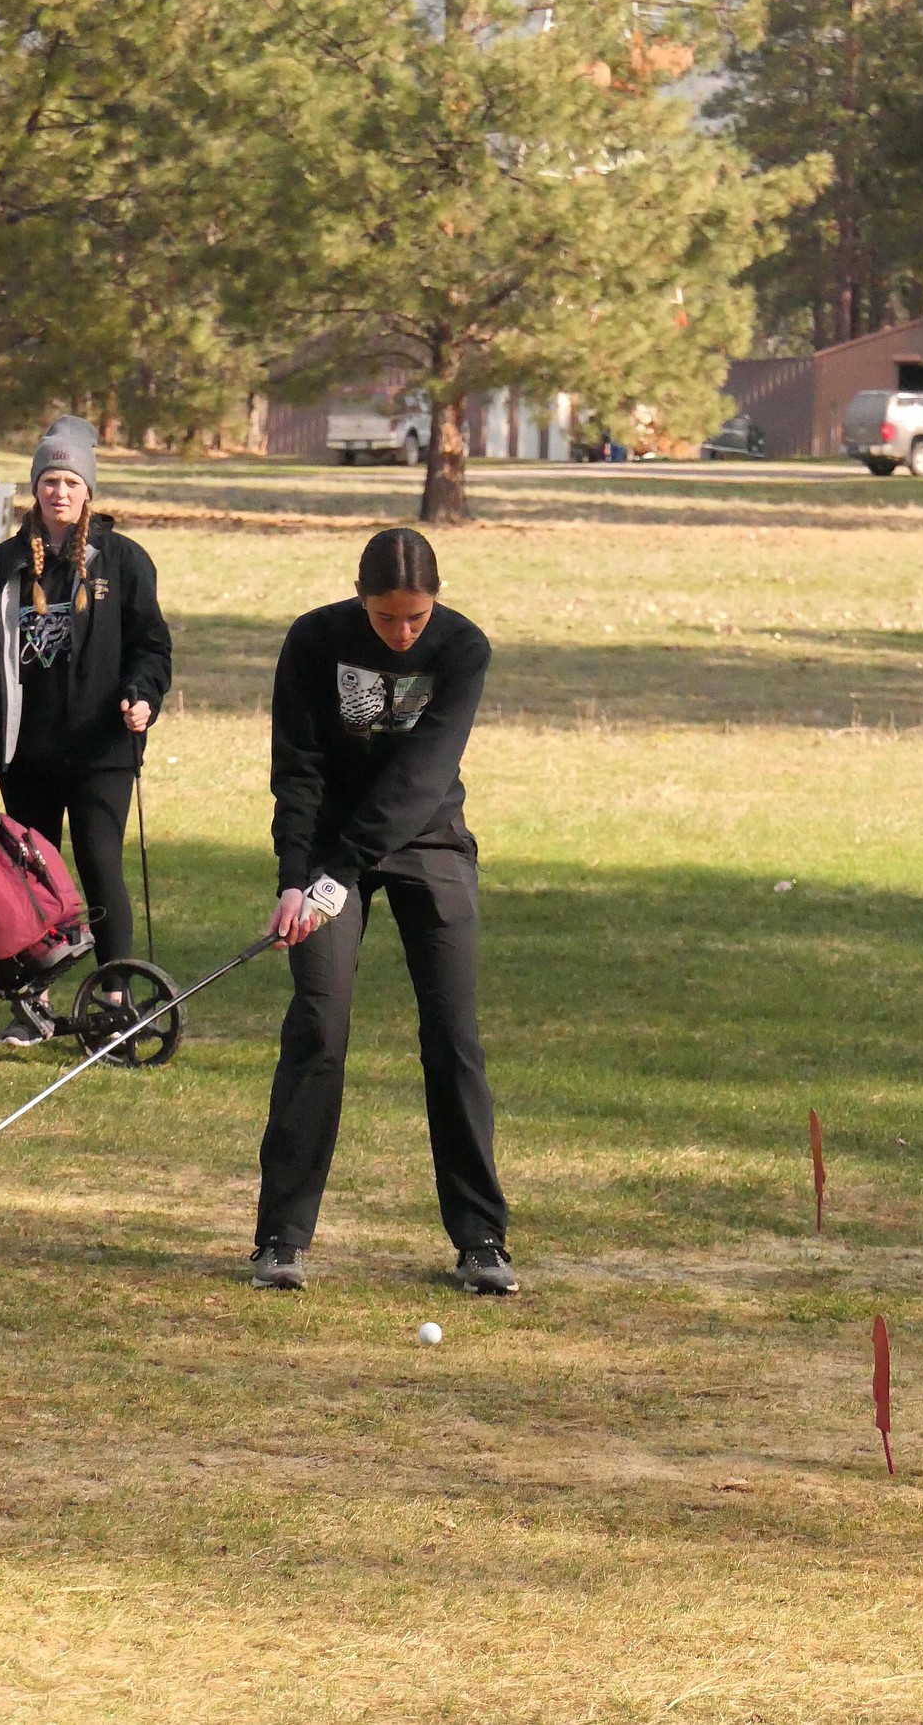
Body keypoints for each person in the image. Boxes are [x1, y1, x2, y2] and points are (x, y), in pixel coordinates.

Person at [253, 526, 517, 1296]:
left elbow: (422, 775)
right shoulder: (313, 640)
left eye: (416, 617)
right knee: (318, 1026)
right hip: (327, 848)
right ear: (360, 597)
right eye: (387, 618)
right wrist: (296, 876)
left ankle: (481, 1238)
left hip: (426, 838)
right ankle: (280, 1235)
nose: (404, 633)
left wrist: (338, 869)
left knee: (452, 1035)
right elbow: (296, 767)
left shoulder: (464, 648)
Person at [0, 415, 172, 1043]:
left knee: (101, 864)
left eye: (71, 481)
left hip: (102, 748)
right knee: (32, 874)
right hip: (29, 752)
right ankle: (35, 1002)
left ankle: (115, 1001)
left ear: (88, 490)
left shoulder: (125, 561)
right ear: (35, 488)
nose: (59, 492)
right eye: (49, 480)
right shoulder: (4, 566)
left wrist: (143, 697)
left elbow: (151, 647)